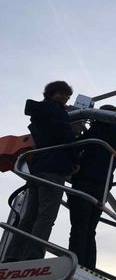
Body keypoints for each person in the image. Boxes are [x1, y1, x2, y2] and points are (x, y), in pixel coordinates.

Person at [3, 81, 78, 262]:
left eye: (67, 95)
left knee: (29, 217)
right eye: (62, 94)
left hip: (38, 167)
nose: (65, 98)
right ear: (51, 93)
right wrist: (76, 151)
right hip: (54, 168)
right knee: (46, 215)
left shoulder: (39, 112)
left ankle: (12, 257)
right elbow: (64, 136)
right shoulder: (57, 111)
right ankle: (32, 257)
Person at [68, 104, 116, 270]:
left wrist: (77, 122)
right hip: (103, 183)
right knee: (90, 229)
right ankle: (88, 267)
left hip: (85, 179)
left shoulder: (97, 130)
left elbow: (76, 145)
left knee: (78, 228)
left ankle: (75, 266)